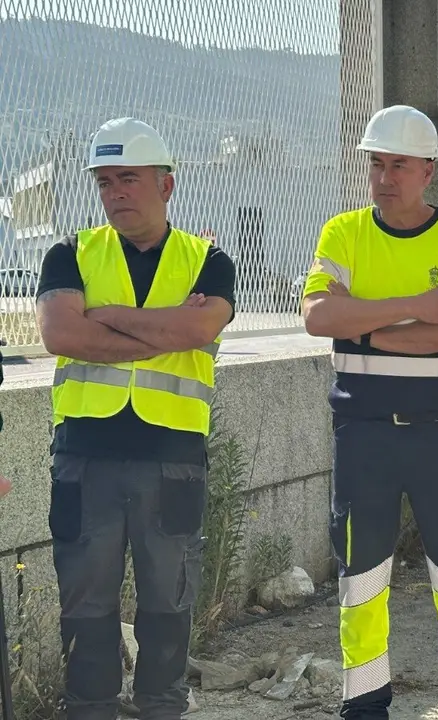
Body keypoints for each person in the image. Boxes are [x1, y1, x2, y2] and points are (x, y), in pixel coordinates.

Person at [301, 104, 438, 720]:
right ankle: (364, 702)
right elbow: (317, 318)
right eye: (377, 164)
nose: (386, 177)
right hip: (362, 435)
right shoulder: (343, 233)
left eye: (400, 165)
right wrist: (415, 305)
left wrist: (362, 324)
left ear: (429, 172)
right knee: (360, 570)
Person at [36, 117, 236, 720]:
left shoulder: (210, 260)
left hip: (171, 460)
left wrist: (108, 317)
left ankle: (160, 710)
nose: (115, 192)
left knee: (168, 608)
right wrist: (165, 327)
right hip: (85, 457)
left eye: (128, 178)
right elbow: (60, 333)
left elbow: (200, 328)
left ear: (166, 184)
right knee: (86, 607)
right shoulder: (70, 252)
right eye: (104, 181)